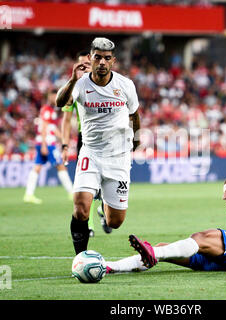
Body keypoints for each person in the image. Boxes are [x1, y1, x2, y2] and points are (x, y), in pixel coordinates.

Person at [56, 37, 141, 255]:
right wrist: (72, 79)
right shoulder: (80, 84)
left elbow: (134, 114)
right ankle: (80, 258)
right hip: (91, 153)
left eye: (106, 58)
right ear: (90, 59)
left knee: (115, 222)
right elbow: (59, 102)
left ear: (113, 61)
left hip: (118, 156)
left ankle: (104, 196)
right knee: (81, 208)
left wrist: (136, 139)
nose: (102, 62)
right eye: (97, 57)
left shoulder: (125, 85)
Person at [104, 174, 226, 273]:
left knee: (201, 237)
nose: (224, 197)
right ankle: (112, 267)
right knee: (163, 249)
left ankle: (153, 254)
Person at [61, 50, 107, 238]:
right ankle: (88, 224)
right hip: (85, 138)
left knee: (105, 181)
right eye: (80, 65)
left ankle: (105, 208)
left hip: (107, 138)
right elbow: (66, 119)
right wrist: (65, 145)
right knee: (86, 185)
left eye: (86, 65)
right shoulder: (75, 88)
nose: (83, 68)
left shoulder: (106, 83)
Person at [24, 90, 73, 204]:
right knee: (60, 166)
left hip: (42, 142)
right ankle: (71, 192)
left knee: (37, 167)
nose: (56, 98)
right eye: (54, 95)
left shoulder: (49, 110)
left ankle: (28, 194)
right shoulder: (47, 109)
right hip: (47, 144)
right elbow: (45, 127)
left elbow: (51, 127)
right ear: (49, 96)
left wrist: (62, 138)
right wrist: (44, 145)